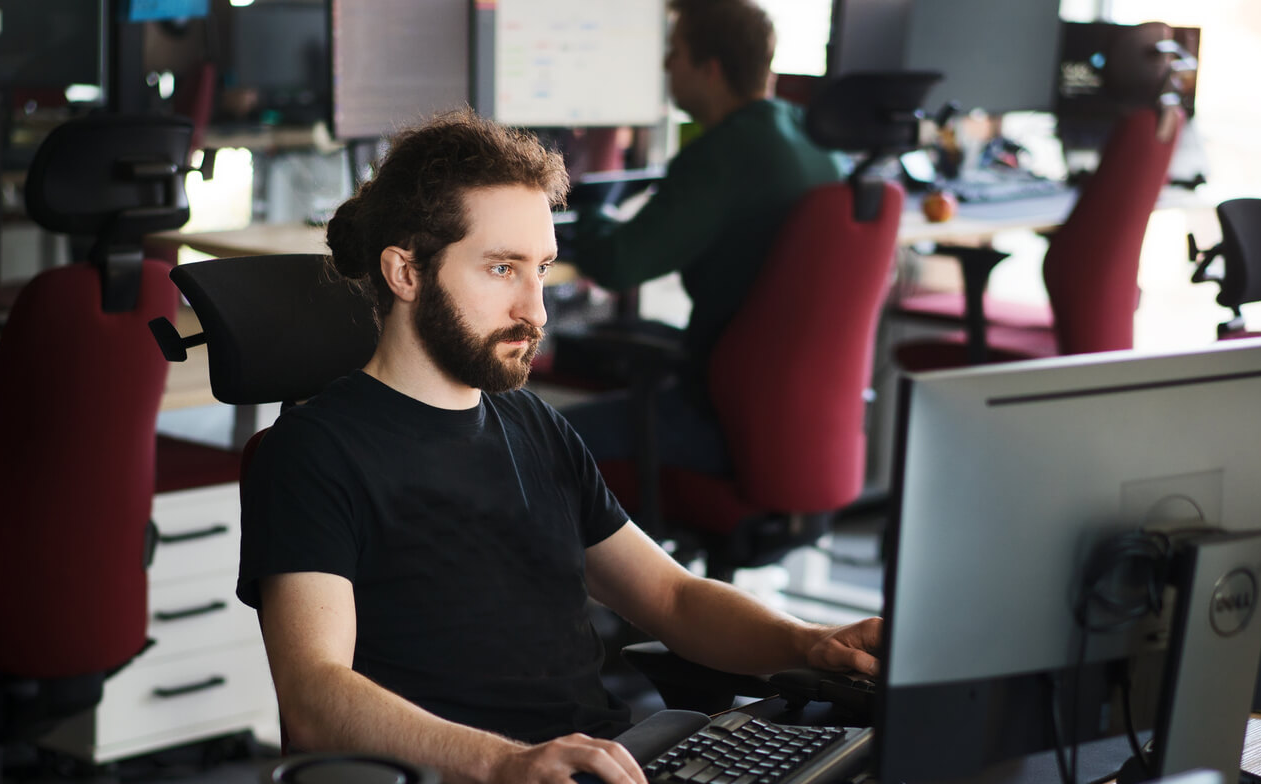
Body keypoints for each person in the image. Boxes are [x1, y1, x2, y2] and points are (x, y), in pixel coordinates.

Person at [237, 111, 882, 784]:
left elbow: (673, 599)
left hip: (601, 764)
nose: (536, 310)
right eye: (500, 269)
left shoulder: (534, 425)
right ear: (405, 271)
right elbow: (314, 694)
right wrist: (505, 761)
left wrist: (808, 642)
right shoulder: (315, 454)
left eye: (541, 269)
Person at [561, 0, 846, 476]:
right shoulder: (816, 142)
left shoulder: (721, 155)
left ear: (710, 69)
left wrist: (587, 212)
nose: (665, 65)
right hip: (789, 417)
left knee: (530, 443)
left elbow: (619, 265)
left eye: (675, 52)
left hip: (715, 422)